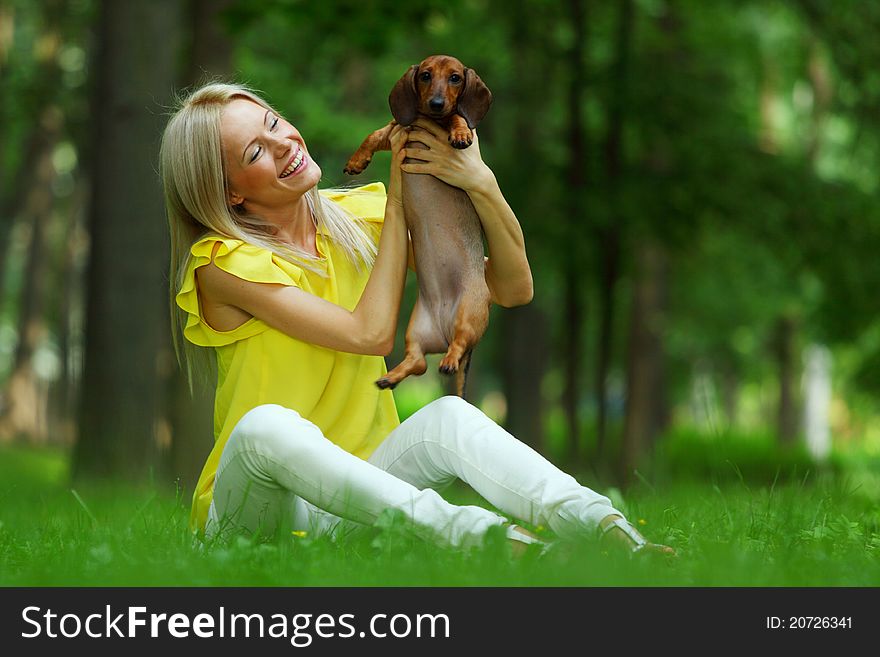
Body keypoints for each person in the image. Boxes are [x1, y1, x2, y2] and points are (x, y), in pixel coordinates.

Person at [160, 82, 674, 557]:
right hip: (255, 516)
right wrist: (403, 196)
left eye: (273, 124)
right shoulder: (221, 263)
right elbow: (369, 334)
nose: (283, 144)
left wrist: (482, 183)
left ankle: (609, 533)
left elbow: (512, 287)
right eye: (254, 152)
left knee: (446, 419)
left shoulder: (356, 220)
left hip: (356, 500)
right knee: (263, 427)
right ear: (230, 193)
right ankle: (486, 540)